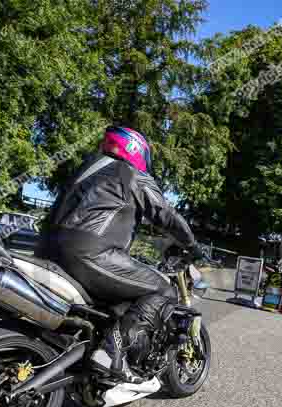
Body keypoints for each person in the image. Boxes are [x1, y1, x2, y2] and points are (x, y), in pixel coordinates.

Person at [37, 126, 204, 383]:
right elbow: (166, 215)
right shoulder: (130, 173)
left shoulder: (85, 170)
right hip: (88, 252)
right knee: (162, 289)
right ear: (136, 151)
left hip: (46, 248)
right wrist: (192, 246)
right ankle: (110, 352)